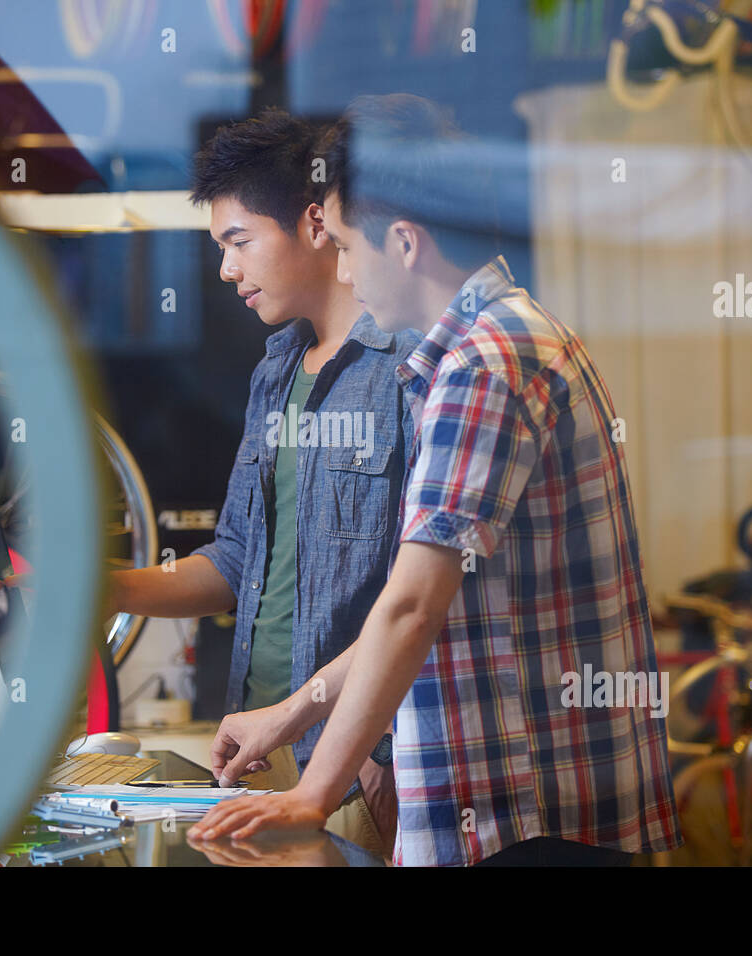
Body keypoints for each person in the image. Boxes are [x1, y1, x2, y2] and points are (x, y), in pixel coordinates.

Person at [188, 94, 681, 866]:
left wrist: (313, 794)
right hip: (533, 808)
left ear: (406, 244)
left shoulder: (484, 365)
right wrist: (291, 712)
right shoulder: (500, 342)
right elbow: (423, 605)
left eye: (347, 246)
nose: (343, 268)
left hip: (529, 817)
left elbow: (411, 605)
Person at [108, 107, 417, 859]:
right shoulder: (275, 370)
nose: (226, 270)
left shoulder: (408, 368)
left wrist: (379, 758)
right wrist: (111, 587)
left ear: (316, 225)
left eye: (238, 242)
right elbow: (240, 558)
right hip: (262, 746)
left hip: (364, 765)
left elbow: (426, 597)